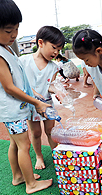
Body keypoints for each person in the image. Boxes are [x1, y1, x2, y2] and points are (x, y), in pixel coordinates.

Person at [0, 0, 52, 193]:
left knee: (15, 142)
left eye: (17, 29)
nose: (14, 35)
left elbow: (18, 79)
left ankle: (19, 176)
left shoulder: (3, 45)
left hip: (11, 108)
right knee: (24, 144)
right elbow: (9, 87)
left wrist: (32, 93)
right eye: (9, 30)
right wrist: (36, 101)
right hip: (10, 109)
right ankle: (31, 184)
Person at [20, 26, 65, 169]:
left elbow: (50, 85)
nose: (56, 52)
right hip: (31, 104)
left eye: (59, 49)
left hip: (47, 104)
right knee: (36, 132)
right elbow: (21, 84)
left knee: (51, 131)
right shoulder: (24, 61)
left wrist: (58, 91)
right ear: (40, 43)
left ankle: (55, 153)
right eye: (54, 48)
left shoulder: (54, 67)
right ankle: (39, 156)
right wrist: (33, 93)